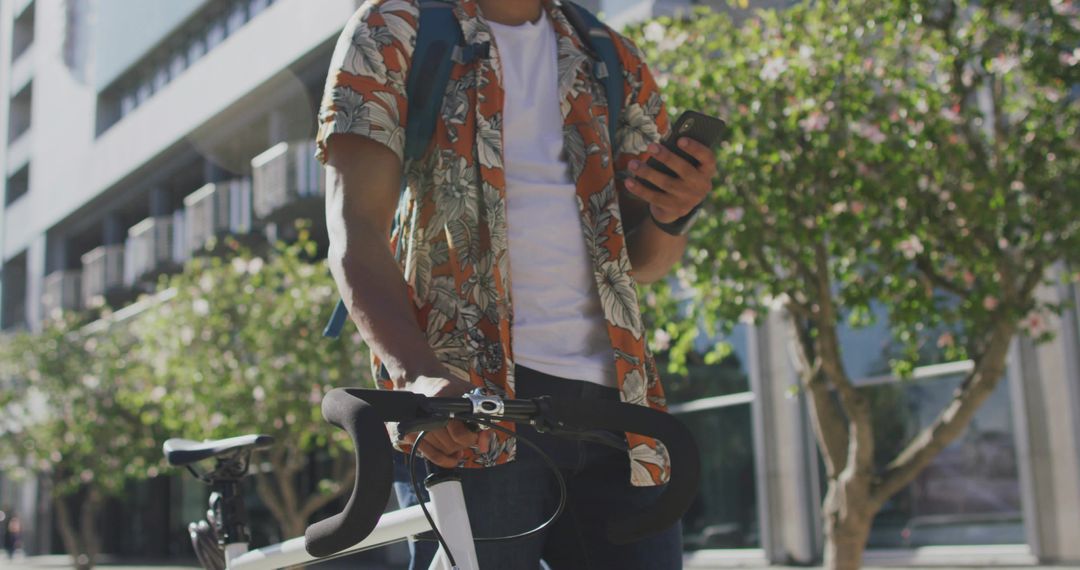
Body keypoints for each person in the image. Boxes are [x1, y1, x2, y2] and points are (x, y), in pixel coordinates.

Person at [317, 0, 717, 568]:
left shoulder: (608, 54)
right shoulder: (395, 28)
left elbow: (646, 263)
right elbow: (355, 229)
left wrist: (672, 212)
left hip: (618, 414)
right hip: (467, 411)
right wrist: (420, 376)